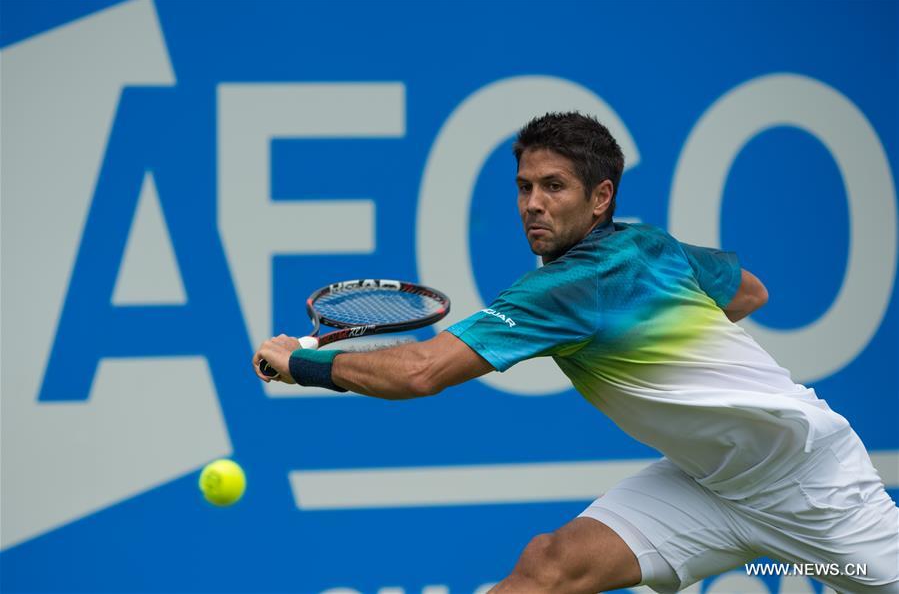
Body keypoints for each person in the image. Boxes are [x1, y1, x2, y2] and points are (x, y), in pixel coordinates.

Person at [253, 112, 899, 593]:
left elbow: (423, 370)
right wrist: (668, 326)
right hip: (707, 481)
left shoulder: (564, 287)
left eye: (553, 186)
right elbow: (748, 291)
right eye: (524, 186)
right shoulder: (647, 246)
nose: (532, 203)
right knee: (547, 566)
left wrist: (301, 362)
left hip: (809, 483)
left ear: (600, 196)